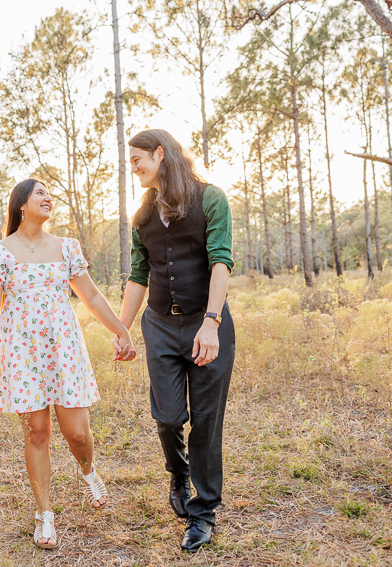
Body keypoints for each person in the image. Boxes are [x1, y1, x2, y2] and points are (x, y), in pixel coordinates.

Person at [0, 178, 136, 550]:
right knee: (37, 432)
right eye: (40, 192)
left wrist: (121, 329)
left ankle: (88, 471)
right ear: (21, 204)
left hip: (63, 350)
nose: (48, 198)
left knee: (76, 432)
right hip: (21, 352)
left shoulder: (66, 247)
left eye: (49, 194)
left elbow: (89, 294)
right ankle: (44, 515)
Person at [113, 129, 235, 552]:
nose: (133, 167)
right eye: (130, 161)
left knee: (205, 420)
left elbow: (221, 262)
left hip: (207, 324)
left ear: (160, 154)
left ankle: (203, 513)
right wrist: (121, 328)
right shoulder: (142, 214)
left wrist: (211, 322)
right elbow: (137, 275)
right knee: (167, 416)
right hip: (160, 326)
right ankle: (178, 473)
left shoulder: (210, 199)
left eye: (137, 159)